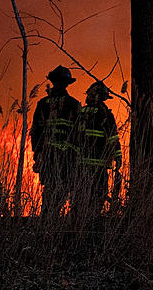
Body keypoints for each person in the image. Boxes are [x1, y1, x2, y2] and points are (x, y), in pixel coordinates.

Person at [31, 65, 81, 216]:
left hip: (52, 155)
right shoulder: (73, 104)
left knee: (52, 188)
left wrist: (38, 153)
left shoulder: (43, 103)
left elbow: (36, 131)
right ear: (67, 83)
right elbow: (80, 132)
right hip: (64, 156)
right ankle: (54, 220)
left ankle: (48, 219)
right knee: (62, 187)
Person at [72, 81, 121, 216]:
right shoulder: (104, 113)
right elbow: (112, 136)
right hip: (98, 164)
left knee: (79, 195)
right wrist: (118, 156)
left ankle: (77, 220)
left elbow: (73, 137)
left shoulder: (80, 113)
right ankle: (92, 218)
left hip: (80, 164)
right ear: (101, 97)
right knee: (99, 193)